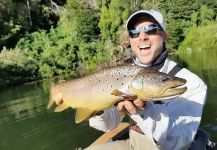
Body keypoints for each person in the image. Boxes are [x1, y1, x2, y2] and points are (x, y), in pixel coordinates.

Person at [55, 9, 207, 150]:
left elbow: (177, 143)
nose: (142, 36)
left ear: (164, 35)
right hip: (133, 144)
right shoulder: (121, 74)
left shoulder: (193, 83)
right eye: (134, 32)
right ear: (130, 40)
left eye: (151, 29)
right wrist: (97, 111)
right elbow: (110, 124)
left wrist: (144, 111)